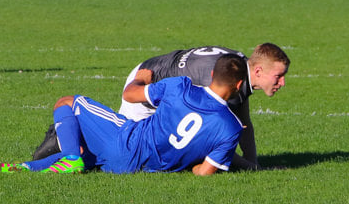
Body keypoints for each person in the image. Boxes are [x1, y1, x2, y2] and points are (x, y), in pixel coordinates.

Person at [31, 43, 290, 171]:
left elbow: (243, 123)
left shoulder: (235, 72)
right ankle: (66, 144)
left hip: (168, 87)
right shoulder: (207, 80)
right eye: (278, 76)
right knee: (128, 146)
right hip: (148, 79)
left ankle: (80, 154)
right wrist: (241, 164)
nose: (282, 83)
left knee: (138, 152)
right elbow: (211, 133)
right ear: (257, 71)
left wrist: (253, 164)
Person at [0, 54, 247, 175]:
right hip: (137, 168)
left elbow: (130, 95)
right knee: (90, 155)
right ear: (238, 86)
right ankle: (21, 169)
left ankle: (71, 155)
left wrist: (141, 80)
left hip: (126, 141)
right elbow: (203, 173)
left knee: (66, 102)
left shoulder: (180, 86)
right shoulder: (231, 128)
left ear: (212, 74)